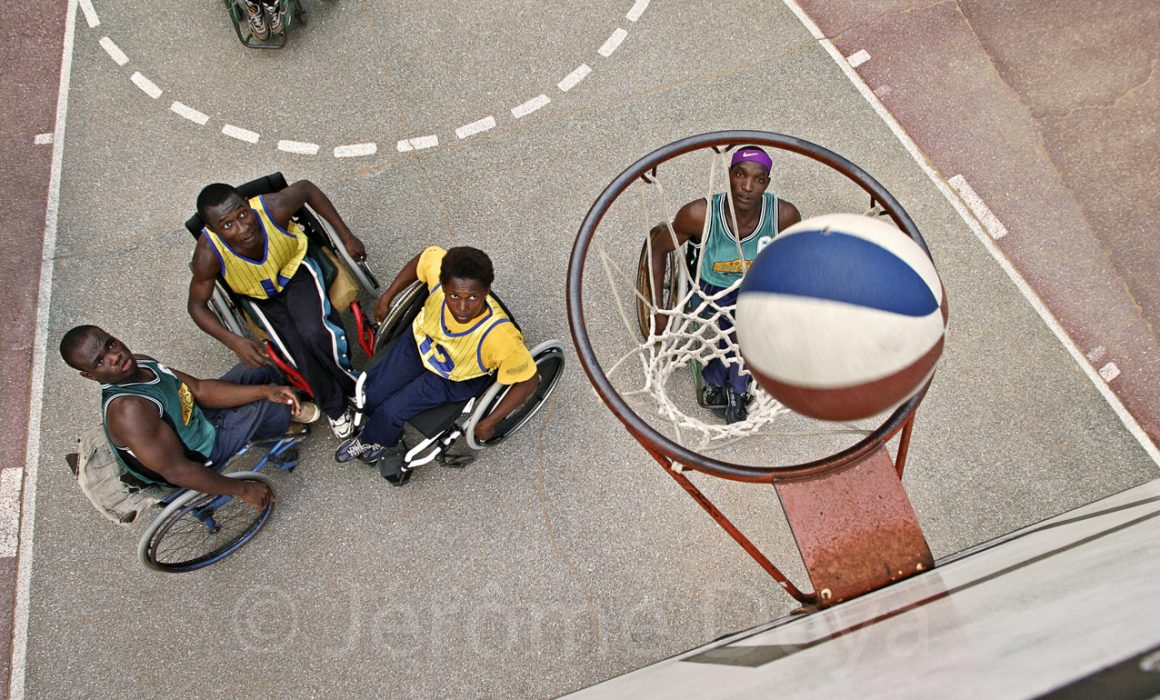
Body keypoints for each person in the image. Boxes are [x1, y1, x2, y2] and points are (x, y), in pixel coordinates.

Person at [336, 246, 539, 479]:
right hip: (419, 344)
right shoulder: (439, 270)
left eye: (473, 297)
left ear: (487, 290)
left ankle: (374, 441)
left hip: (453, 376)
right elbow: (423, 258)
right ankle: (379, 427)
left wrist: (490, 422)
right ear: (443, 286)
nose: (462, 308)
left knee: (391, 412)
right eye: (454, 296)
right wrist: (388, 296)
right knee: (373, 394)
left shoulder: (501, 338)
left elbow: (528, 380)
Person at [59, 325, 319, 507]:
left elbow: (199, 390)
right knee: (270, 407)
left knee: (260, 368)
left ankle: (276, 412)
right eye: (100, 361)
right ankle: (280, 438)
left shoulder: (141, 362)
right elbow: (178, 472)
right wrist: (243, 489)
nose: (115, 356)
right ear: (90, 376)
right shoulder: (130, 411)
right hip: (197, 454)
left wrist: (265, 390)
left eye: (111, 344)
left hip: (192, 419)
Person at [188, 179, 366, 438]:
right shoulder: (208, 254)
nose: (242, 228)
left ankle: (352, 386)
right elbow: (196, 306)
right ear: (212, 230)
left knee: (315, 334)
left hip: (294, 271)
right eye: (228, 225)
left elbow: (307, 189)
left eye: (243, 214)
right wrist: (235, 341)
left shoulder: (273, 208)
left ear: (248, 205)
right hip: (257, 295)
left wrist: (347, 236)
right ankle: (335, 407)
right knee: (295, 351)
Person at [647, 146, 801, 423]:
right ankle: (736, 387)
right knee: (745, 331)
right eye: (740, 174)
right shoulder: (699, 214)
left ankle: (718, 377)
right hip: (708, 291)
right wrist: (658, 309)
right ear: (729, 174)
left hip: (756, 290)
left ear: (767, 183)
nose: (747, 186)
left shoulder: (784, 216)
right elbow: (657, 250)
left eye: (758, 179)